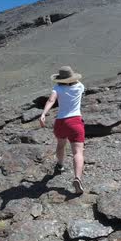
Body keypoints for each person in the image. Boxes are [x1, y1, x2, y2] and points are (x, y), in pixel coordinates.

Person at [39, 66, 86, 194]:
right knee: (78, 152)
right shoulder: (80, 86)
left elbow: (51, 100)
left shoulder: (57, 88)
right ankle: (77, 178)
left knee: (61, 145)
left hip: (61, 121)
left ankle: (60, 165)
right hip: (76, 121)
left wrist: (43, 114)